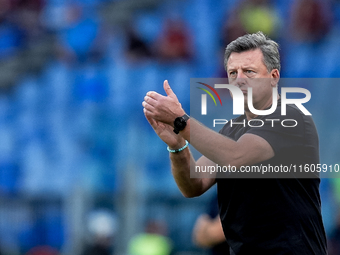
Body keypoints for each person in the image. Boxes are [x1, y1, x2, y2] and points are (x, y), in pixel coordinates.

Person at [142, 32, 327, 254]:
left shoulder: (291, 118)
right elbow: (193, 185)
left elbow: (236, 156)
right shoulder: (231, 129)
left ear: (274, 76)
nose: (239, 79)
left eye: (249, 71)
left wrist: (181, 121)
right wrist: (177, 146)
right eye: (233, 73)